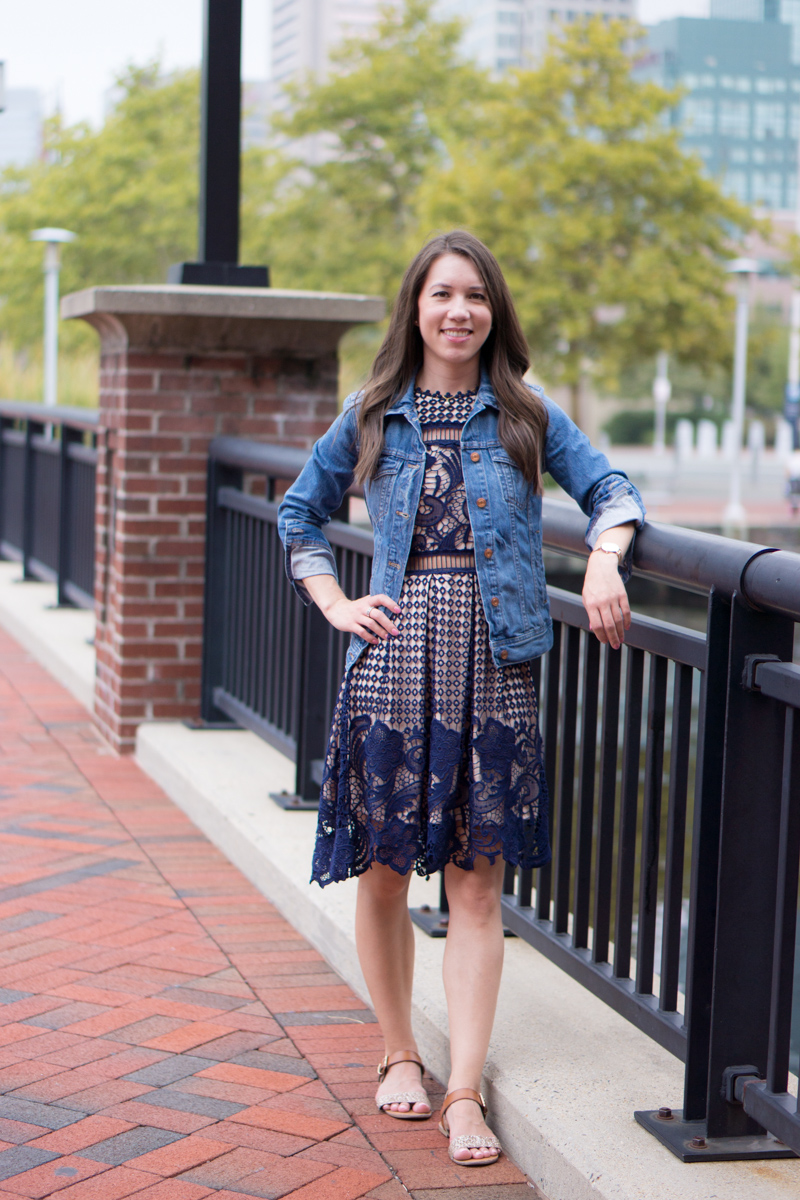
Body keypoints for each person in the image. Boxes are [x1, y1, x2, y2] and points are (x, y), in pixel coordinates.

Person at [278, 231, 645, 1167]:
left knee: (478, 885)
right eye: (443, 293)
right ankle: (399, 1052)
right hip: (394, 661)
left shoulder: (523, 413)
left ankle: (465, 1091)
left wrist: (604, 557)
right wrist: (333, 601)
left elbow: (609, 487)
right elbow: (298, 511)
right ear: (416, 307)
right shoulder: (372, 414)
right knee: (387, 871)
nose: (459, 311)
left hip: (494, 666)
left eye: (476, 296)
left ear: (494, 312)